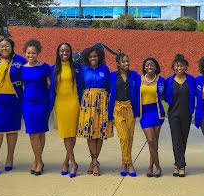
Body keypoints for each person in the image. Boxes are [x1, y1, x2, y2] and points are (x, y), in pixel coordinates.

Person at [0, 38, 26, 176]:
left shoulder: (20, 61)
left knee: (12, 130)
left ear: (12, 47)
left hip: (14, 99)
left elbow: (28, 76)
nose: (4, 49)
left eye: (7, 46)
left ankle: (10, 157)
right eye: (1, 46)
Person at [77, 44, 112, 176]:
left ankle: (94, 161)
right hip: (88, 103)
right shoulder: (84, 70)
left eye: (95, 56)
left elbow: (108, 86)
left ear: (99, 57)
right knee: (90, 133)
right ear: (87, 57)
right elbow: (80, 87)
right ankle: (95, 161)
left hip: (102, 102)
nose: (93, 58)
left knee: (100, 133)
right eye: (91, 56)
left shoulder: (105, 69)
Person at [50, 42, 81, 178]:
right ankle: (72, 162)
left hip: (74, 103)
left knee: (72, 134)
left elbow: (82, 84)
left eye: (67, 51)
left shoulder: (77, 67)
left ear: (71, 52)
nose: (64, 53)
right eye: (62, 51)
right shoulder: (53, 68)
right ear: (58, 52)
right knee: (66, 133)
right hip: (60, 103)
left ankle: (67, 161)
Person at [108, 52, 141, 177]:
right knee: (123, 137)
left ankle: (125, 161)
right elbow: (107, 91)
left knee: (130, 136)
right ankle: (128, 162)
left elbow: (141, 86)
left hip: (130, 108)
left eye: (128, 61)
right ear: (118, 64)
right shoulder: (112, 76)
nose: (127, 63)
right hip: (117, 108)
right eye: (124, 61)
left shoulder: (134, 75)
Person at [21, 39, 51, 176]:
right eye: (28, 53)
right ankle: (39, 161)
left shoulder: (45, 67)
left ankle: (37, 161)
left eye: (33, 53)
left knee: (40, 132)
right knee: (33, 133)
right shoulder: (22, 68)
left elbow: (52, 84)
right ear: (25, 53)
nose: (30, 56)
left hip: (42, 102)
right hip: (28, 103)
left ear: (38, 53)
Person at [165, 54, 196, 177]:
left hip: (186, 113)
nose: (179, 67)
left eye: (182, 65)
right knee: (176, 138)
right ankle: (181, 165)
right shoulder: (169, 80)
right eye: (177, 65)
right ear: (173, 67)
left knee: (183, 139)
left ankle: (177, 163)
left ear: (186, 67)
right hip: (174, 114)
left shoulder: (191, 79)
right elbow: (165, 96)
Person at [139, 57, 166, 178]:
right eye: (147, 65)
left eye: (152, 65)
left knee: (154, 142)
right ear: (144, 68)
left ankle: (150, 167)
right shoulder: (139, 79)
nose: (149, 67)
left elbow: (168, 95)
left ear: (156, 67)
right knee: (150, 140)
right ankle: (158, 167)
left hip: (157, 113)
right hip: (144, 113)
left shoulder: (162, 81)